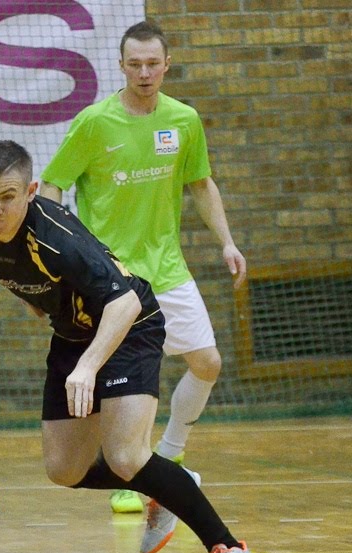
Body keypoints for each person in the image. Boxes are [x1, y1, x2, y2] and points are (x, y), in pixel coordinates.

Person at [0, 139, 255, 553]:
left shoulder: (58, 239)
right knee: (64, 470)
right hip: (73, 333)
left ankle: (227, 548)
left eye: (8, 197)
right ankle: (167, 482)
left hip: (128, 326)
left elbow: (125, 302)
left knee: (126, 454)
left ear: (31, 191)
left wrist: (88, 366)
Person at [40, 20, 247, 517]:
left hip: (168, 270)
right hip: (111, 282)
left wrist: (227, 242)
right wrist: (58, 256)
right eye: (134, 64)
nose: (144, 72)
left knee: (208, 362)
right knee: (120, 391)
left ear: (167, 64)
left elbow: (200, 184)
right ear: (121, 66)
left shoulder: (184, 120)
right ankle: (136, 470)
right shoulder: (94, 123)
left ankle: (171, 455)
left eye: (153, 63)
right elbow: (51, 187)